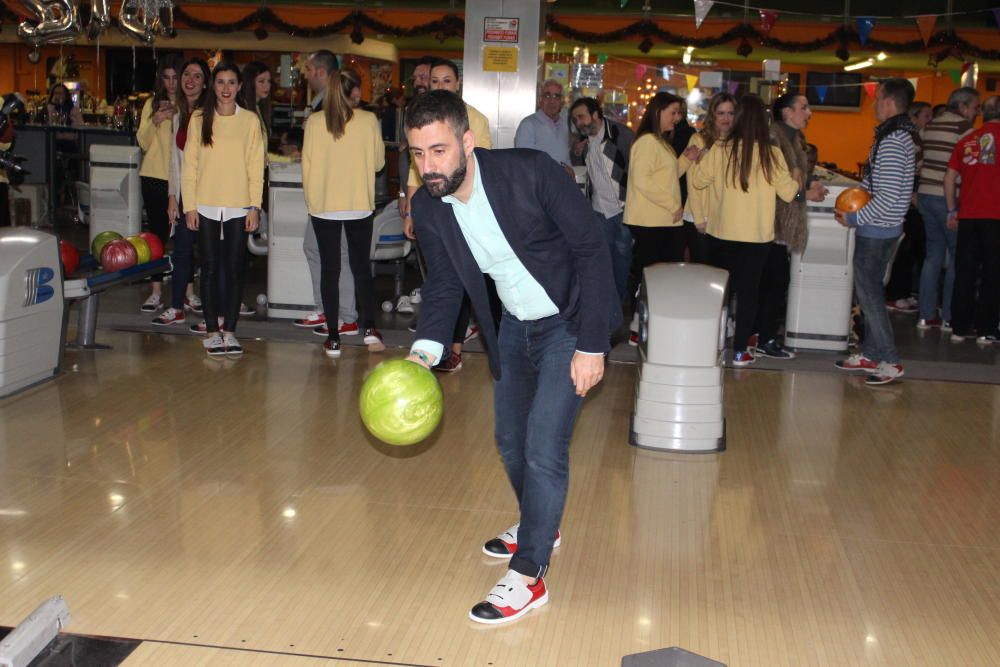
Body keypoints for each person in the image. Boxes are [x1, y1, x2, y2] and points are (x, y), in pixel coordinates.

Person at [403, 90, 618, 624]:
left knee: (545, 446)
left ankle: (528, 574)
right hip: (512, 328)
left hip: (568, 323)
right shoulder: (430, 207)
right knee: (509, 441)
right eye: (417, 154)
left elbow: (593, 249)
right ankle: (540, 521)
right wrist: (423, 352)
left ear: (467, 143)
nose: (428, 167)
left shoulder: (531, 172)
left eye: (438, 151)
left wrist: (593, 343)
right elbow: (446, 283)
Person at [689, 94, 800, 367]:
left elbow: (700, 180)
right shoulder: (771, 154)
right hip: (756, 237)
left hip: (720, 234)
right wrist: (797, 176)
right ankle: (740, 352)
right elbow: (788, 193)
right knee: (748, 294)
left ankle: (708, 346)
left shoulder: (720, 149)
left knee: (720, 294)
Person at [403, 58, 494, 373]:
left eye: (446, 81)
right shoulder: (420, 119)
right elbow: (420, 173)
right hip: (435, 204)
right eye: (435, 81)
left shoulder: (474, 120)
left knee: (468, 277)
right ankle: (446, 347)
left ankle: (456, 344)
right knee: (446, 276)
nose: (440, 86)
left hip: (465, 207)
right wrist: (411, 204)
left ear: (458, 84)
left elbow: (480, 166)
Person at [834, 78, 918, 385]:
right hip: (878, 227)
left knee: (870, 297)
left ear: (889, 102)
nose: (873, 103)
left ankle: (890, 360)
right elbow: (875, 185)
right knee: (867, 293)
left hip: (879, 230)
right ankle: (870, 352)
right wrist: (854, 198)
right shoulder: (891, 136)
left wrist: (856, 219)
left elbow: (889, 196)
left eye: (877, 97)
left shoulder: (895, 141)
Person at [301, 69, 386, 359]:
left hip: (324, 205)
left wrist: (313, 202)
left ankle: (334, 338)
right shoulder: (369, 120)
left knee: (330, 269)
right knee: (361, 269)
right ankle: (370, 329)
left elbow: (307, 167)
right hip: (359, 203)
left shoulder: (314, 122)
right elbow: (377, 164)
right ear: (354, 92)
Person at [181, 62, 264, 357]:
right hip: (204, 204)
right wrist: (189, 205)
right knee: (210, 269)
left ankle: (229, 330)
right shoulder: (199, 118)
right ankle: (212, 332)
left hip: (238, 206)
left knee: (233, 269)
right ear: (212, 86)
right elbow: (188, 166)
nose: (226, 89)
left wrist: (255, 206)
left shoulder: (251, 121)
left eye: (231, 83)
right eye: (220, 83)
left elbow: (256, 166)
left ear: (240, 86)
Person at [753, 93, 828, 360]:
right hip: (772, 221)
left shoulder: (791, 139)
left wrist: (808, 186)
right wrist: (805, 194)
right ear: (787, 112)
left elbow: (791, 181)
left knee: (771, 282)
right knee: (774, 281)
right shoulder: (775, 140)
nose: (809, 113)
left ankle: (760, 334)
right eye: (804, 107)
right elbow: (778, 186)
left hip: (779, 221)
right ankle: (765, 338)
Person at [296, 50, 359, 339]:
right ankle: (326, 308)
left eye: (308, 69)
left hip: (339, 199)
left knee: (340, 256)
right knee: (313, 248)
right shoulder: (319, 107)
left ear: (321, 72)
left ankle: (346, 316)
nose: (305, 75)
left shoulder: (339, 112)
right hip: (322, 197)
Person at [914, 87, 979, 330]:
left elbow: (917, 158)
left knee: (933, 256)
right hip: (949, 199)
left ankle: (925, 314)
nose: (975, 113)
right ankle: (949, 316)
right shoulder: (965, 130)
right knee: (956, 257)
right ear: (963, 107)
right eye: (974, 108)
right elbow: (970, 167)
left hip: (926, 196)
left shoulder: (929, 126)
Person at [154, 57, 211, 328]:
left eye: (197, 76)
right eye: (186, 74)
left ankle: (216, 311)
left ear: (205, 83)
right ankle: (176, 306)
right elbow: (174, 162)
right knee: (182, 251)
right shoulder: (177, 114)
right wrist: (172, 196)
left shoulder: (212, 114)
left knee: (211, 255)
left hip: (210, 195)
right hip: (186, 194)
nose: (189, 81)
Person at [944, 95, 1000, 345]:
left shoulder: (967, 140)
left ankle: (959, 326)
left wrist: (951, 210)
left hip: (968, 215)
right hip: (996, 216)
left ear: (983, 114)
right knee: (992, 273)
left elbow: (949, 177)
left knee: (965, 271)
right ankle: (986, 329)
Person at [624, 92, 697, 280]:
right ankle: (642, 309)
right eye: (673, 113)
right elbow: (642, 181)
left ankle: (647, 308)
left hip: (660, 220)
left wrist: (686, 160)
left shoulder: (658, 141)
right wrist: (673, 205)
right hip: (652, 222)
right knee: (652, 277)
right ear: (658, 112)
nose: (677, 118)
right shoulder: (648, 142)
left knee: (658, 277)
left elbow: (666, 178)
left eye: (678, 113)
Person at [570, 96, 634, 305]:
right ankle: (607, 304)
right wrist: (578, 152)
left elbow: (636, 170)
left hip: (624, 209)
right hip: (600, 211)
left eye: (581, 117)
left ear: (596, 114)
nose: (579, 123)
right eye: (575, 120)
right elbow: (583, 171)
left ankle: (618, 303)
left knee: (622, 261)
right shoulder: (585, 142)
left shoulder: (621, 134)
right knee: (602, 261)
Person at [136, 56, 180, 313]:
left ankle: (186, 291)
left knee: (186, 236)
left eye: (176, 77)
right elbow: (142, 141)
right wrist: (156, 120)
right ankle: (155, 291)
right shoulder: (152, 104)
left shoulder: (190, 105)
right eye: (167, 77)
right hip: (154, 176)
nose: (172, 83)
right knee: (157, 236)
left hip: (183, 177)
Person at [683, 92, 736, 262]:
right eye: (721, 113)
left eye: (730, 113)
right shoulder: (699, 139)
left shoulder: (736, 143)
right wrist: (699, 220)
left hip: (724, 217)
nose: (726, 118)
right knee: (703, 271)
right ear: (713, 115)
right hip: (701, 217)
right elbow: (692, 182)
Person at [514, 79, 571, 167]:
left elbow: (565, 158)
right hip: (538, 180)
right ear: (540, 100)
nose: (552, 101)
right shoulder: (528, 125)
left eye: (557, 96)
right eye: (547, 96)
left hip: (562, 179)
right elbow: (524, 161)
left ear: (562, 102)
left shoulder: (565, 124)